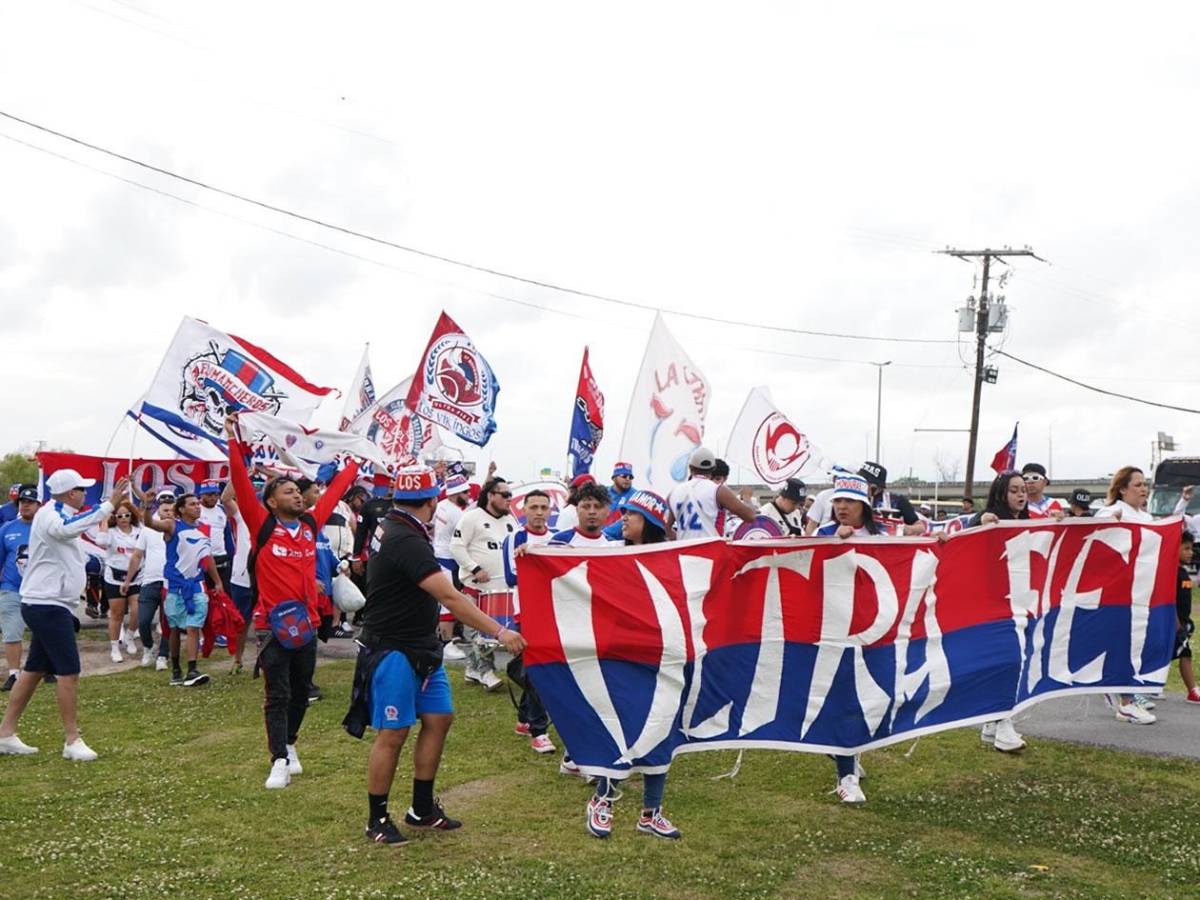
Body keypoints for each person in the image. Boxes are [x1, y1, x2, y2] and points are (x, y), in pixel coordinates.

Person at [354, 465, 525, 845]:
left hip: (421, 645)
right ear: (432, 501)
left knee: (439, 718)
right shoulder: (406, 538)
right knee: (393, 732)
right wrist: (499, 630)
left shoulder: (395, 525)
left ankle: (421, 809)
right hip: (395, 648)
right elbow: (447, 595)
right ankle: (376, 818)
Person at [227, 417, 360, 789]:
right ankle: (278, 761)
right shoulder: (262, 525)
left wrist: (356, 460)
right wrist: (233, 441)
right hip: (272, 625)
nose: (297, 495)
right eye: (288, 492)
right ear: (270, 501)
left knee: (302, 692)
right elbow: (239, 480)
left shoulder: (311, 526)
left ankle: (290, 743)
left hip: (307, 623)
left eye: (298, 492)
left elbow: (334, 491)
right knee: (278, 694)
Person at [0, 469, 128, 760]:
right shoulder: (53, 514)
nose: (85, 493)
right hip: (47, 604)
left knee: (33, 671)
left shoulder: (56, 512)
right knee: (68, 671)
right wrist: (108, 506)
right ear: (71, 492)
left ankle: (5, 733)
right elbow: (67, 528)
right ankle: (72, 740)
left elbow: (76, 529)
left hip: (49, 602)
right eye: (82, 489)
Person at [585, 488, 681, 840]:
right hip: (620, 655)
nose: (623, 519)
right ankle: (602, 800)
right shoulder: (610, 552)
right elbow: (566, 553)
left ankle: (651, 812)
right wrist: (531, 552)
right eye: (623, 513)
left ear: (651, 522)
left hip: (663, 655)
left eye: (632, 515)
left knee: (661, 730)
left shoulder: (674, 555)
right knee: (619, 729)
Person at [811, 473, 883, 803]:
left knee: (871, 697)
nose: (841, 507)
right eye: (837, 500)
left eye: (849, 501)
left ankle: (851, 752)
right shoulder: (822, 534)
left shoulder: (883, 535)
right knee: (844, 699)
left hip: (876, 631)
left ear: (864, 506)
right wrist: (831, 544)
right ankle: (847, 775)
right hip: (835, 632)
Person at [963, 471, 1034, 752]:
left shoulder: (1029, 523)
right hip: (993, 604)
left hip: (1021, 601)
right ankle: (1003, 721)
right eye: (1014, 490)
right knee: (1008, 660)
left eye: (1024, 490)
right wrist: (981, 521)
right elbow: (968, 533)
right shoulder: (988, 518)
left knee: (1014, 660)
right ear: (1002, 493)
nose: (1021, 495)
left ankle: (992, 722)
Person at [1095, 466, 1157, 725]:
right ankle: (1126, 701)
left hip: (1142, 590)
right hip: (1117, 593)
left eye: (1145, 484)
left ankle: (1120, 690)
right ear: (1122, 488)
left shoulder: (1148, 516)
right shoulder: (1111, 512)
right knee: (1123, 644)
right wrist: (1111, 524)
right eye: (1138, 484)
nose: (1144, 489)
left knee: (1140, 643)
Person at [143, 492, 224, 688]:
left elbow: (208, 557)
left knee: (194, 626)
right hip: (174, 587)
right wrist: (146, 507)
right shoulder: (172, 525)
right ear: (181, 509)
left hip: (197, 585)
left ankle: (192, 669)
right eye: (192, 504)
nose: (197, 507)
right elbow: (150, 524)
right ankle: (177, 670)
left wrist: (217, 581)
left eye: (198, 503)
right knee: (173, 630)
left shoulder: (203, 530)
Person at [449, 476, 517, 692]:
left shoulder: (510, 521)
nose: (509, 499)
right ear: (490, 496)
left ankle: (473, 669)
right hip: (475, 588)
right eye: (505, 495)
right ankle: (485, 672)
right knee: (478, 632)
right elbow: (456, 547)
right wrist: (475, 569)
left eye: (510, 495)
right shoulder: (472, 518)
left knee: (494, 633)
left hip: (500, 590)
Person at [502, 489, 555, 753]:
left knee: (537, 668)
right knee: (538, 671)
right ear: (524, 509)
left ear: (550, 511)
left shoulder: (557, 540)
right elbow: (512, 577)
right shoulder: (514, 538)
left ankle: (524, 718)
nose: (538, 512)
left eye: (543, 507)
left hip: (552, 611)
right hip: (527, 611)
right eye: (533, 507)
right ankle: (539, 729)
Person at [666, 447, 759, 540]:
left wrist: (681, 539)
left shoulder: (673, 493)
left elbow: (667, 528)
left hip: (683, 551)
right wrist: (747, 497)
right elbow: (750, 516)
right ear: (713, 468)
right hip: (711, 551)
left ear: (690, 467)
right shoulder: (719, 491)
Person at [128, 487, 174, 669]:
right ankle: (148, 648)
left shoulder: (178, 527)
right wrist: (128, 580)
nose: (168, 513)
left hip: (170, 582)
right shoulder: (148, 529)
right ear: (158, 509)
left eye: (171, 510)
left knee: (167, 621)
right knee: (144, 620)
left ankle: (163, 655)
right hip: (149, 580)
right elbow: (137, 555)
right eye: (164, 509)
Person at [95, 500, 143, 664]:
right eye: (120, 515)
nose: (123, 518)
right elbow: (101, 542)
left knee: (137, 609)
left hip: (137, 576)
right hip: (115, 577)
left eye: (127, 515)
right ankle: (115, 647)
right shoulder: (111, 532)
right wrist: (105, 520)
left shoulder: (139, 531)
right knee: (117, 614)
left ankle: (129, 636)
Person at [0, 486, 38, 690]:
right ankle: (14, 673)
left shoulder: (45, 528)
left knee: (43, 631)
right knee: (11, 632)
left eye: (30, 502)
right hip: (11, 587)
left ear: (39, 505)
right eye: (22, 502)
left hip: (40, 590)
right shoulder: (7, 528)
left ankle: (45, 668)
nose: (25, 505)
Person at [431, 474, 472, 661]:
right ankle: (446, 645)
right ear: (456, 493)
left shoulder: (440, 506)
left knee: (442, 603)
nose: (469, 494)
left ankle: (442, 640)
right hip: (448, 560)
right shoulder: (458, 514)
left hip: (438, 556)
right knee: (449, 604)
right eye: (465, 491)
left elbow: (430, 527)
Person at [1175, 532, 1199, 703]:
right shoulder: (1171, 574)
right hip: (1173, 625)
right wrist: (1177, 625)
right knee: (1185, 654)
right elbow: (1169, 602)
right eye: (1186, 548)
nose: (1191, 552)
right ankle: (1193, 690)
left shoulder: (1183, 572)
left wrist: (1187, 622)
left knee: (1181, 654)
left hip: (1182, 623)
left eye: (1191, 549)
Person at [198, 480, 232, 591]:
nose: (213, 497)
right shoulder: (196, 509)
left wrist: (230, 555)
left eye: (215, 494)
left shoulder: (222, 510)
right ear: (201, 494)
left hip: (221, 557)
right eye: (209, 495)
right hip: (202, 559)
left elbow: (227, 535)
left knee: (225, 594)